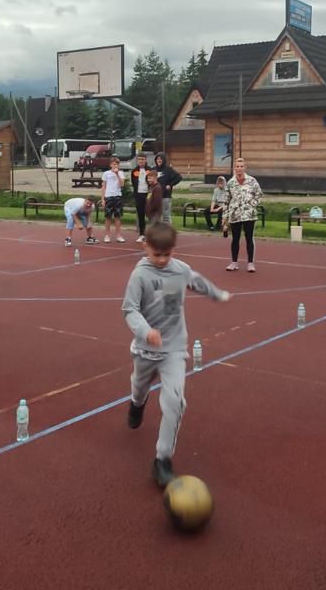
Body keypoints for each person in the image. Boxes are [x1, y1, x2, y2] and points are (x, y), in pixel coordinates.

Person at [122, 221, 231, 486]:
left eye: (167, 254)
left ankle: (162, 460)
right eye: (156, 254)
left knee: (175, 402)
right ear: (146, 247)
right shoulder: (140, 275)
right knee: (139, 386)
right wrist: (145, 331)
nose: (162, 260)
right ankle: (137, 403)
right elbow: (130, 309)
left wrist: (217, 294)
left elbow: (197, 281)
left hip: (174, 348)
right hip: (146, 349)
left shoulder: (179, 269)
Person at [222, 157, 263, 272]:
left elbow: (259, 194)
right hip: (235, 214)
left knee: (249, 238)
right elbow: (226, 201)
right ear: (234, 168)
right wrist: (224, 217)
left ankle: (250, 263)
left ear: (245, 168)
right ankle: (234, 262)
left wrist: (252, 204)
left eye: (241, 166)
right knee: (235, 239)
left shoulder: (252, 181)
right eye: (237, 166)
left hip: (249, 215)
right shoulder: (230, 183)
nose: (239, 168)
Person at [100, 157, 127, 243]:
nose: (116, 166)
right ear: (111, 165)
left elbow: (122, 185)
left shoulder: (121, 173)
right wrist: (102, 199)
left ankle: (118, 235)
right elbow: (103, 186)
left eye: (117, 164)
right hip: (108, 196)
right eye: (114, 164)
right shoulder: (106, 173)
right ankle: (107, 235)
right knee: (108, 217)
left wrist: (117, 174)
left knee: (117, 217)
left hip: (117, 196)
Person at [130, 152, 153, 243]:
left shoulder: (150, 170)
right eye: (139, 159)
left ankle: (152, 234)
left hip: (147, 195)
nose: (141, 161)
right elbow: (133, 183)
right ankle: (142, 234)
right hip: (139, 195)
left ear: (145, 160)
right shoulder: (134, 171)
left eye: (142, 159)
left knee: (150, 215)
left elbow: (153, 182)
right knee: (140, 216)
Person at [153, 152, 182, 224]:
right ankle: (157, 229)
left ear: (164, 160)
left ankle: (168, 229)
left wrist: (170, 185)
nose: (159, 160)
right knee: (156, 215)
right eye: (157, 159)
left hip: (165, 196)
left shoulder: (168, 170)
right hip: (156, 196)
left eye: (160, 159)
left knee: (166, 216)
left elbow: (179, 177)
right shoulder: (153, 169)